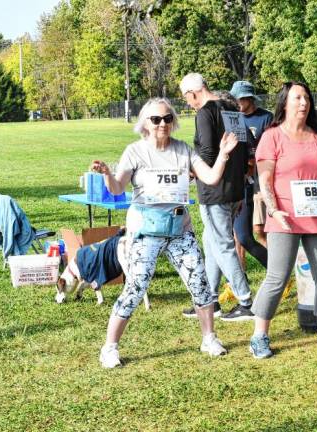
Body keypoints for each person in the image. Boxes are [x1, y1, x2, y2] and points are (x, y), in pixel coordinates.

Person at [91, 98, 240, 368]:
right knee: (136, 287)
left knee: (200, 283)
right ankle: (109, 347)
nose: (162, 124)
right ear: (145, 124)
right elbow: (116, 188)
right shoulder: (135, 151)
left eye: (167, 118)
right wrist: (106, 174)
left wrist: (223, 154)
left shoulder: (183, 150)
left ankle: (209, 338)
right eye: (156, 119)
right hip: (145, 231)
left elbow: (210, 178)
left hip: (179, 229)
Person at [248, 81, 317, 359]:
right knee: (277, 277)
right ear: (285, 103)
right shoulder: (272, 137)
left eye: (306, 98)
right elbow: (264, 178)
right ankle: (259, 335)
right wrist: (273, 209)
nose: (303, 103)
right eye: (297, 98)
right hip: (285, 218)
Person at [179, 73, 254, 321]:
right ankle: (209, 299)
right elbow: (244, 149)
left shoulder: (205, 113)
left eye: (186, 97)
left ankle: (245, 301)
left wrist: (192, 170)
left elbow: (209, 152)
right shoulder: (232, 109)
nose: (188, 103)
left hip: (215, 190)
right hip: (234, 187)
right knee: (211, 241)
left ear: (193, 92)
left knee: (222, 245)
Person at [230, 80, 273, 266]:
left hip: (261, 180)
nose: (237, 103)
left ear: (249, 98)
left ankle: (279, 271)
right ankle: (239, 278)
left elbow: (271, 149)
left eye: (240, 99)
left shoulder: (266, 118)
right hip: (242, 180)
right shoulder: (232, 118)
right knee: (238, 234)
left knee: (260, 231)